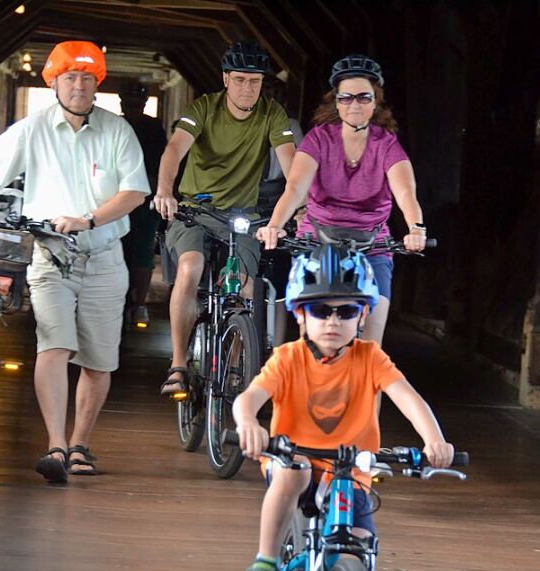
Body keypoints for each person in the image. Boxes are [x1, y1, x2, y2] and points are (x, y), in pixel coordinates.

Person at [228, 245, 455, 571]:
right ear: (300, 316)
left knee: (360, 552)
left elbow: (408, 398)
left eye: (347, 310)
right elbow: (248, 398)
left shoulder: (370, 358)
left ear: (363, 315)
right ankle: (266, 563)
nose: (333, 321)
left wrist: (434, 440)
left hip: (350, 468)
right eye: (319, 310)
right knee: (292, 475)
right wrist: (249, 423)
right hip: (293, 457)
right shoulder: (288, 358)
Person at [0, 40, 149, 482]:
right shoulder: (32, 129)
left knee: (99, 361)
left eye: (87, 77)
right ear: (54, 82)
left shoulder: (118, 131)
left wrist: (88, 219)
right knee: (54, 345)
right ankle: (56, 447)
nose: (79, 86)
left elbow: (134, 192)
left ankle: (81, 443)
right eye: (70, 77)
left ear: (97, 83)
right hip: (49, 255)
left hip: (104, 256)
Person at [153, 41, 297, 396]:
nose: (248, 88)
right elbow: (175, 148)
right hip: (194, 211)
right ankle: (179, 364)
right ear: (226, 79)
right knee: (190, 267)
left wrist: (299, 206)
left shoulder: (272, 114)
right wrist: (164, 190)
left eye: (255, 81)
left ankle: (236, 363)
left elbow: (292, 162)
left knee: (247, 285)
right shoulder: (204, 107)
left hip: (242, 216)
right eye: (241, 80)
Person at [256, 54, 427, 346]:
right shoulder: (319, 139)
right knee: (309, 337)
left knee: (372, 347)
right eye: (346, 98)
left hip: (372, 245)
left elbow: (405, 192)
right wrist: (275, 225)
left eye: (364, 97)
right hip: (318, 240)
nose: (355, 105)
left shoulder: (386, 144)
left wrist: (416, 229)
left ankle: (364, 389)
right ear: (336, 102)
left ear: (376, 102)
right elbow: (296, 186)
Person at [257, 74, 304, 346]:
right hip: (246, 199)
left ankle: (276, 348)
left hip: (278, 199)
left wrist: (299, 210)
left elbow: (298, 174)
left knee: (280, 280)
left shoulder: (290, 127)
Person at [119, 81, 167, 328]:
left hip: (145, 198)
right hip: (118, 198)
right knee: (117, 248)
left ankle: (140, 305)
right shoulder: (116, 126)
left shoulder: (152, 128)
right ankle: (119, 299)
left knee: (143, 251)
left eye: (136, 103)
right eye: (128, 103)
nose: (132, 107)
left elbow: (163, 163)